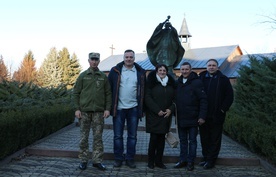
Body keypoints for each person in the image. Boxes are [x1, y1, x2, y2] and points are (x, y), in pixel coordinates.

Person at [73, 52, 112, 171]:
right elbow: (76, 93)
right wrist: (77, 109)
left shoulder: (103, 76)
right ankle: (83, 160)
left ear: (99, 61)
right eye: (92, 59)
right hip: (84, 112)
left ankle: (97, 161)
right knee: (83, 137)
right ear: (88, 61)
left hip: (98, 113)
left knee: (98, 138)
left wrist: (107, 109)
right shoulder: (83, 76)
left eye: (96, 59)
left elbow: (108, 93)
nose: (94, 61)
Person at [108, 49, 146, 168]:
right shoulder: (115, 71)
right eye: (126, 57)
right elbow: (109, 90)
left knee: (132, 136)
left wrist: (143, 109)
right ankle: (118, 158)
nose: (128, 59)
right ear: (123, 58)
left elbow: (144, 92)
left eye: (131, 57)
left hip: (134, 108)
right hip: (118, 108)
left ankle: (130, 159)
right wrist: (108, 108)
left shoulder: (140, 72)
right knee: (117, 136)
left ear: (134, 58)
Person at [198, 59, 234, 169]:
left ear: (217, 67)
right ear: (206, 66)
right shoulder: (201, 78)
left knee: (214, 139)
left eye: (214, 65)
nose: (211, 67)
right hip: (203, 115)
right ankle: (205, 157)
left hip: (216, 115)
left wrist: (222, 110)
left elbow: (229, 96)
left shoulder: (223, 79)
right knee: (204, 138)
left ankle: (211, 160)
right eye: (209, 65)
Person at [174, 62, 208, 171]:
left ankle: (190, 161)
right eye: (182, 69)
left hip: (193, 117)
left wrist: (202, 116)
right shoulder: (178, 83)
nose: (184, 71)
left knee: (192, 141)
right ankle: (182, 160)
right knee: (183, 141)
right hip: (181, 118)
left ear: (190, 69)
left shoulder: (197, 82)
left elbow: (203, 100)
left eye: (186, 69)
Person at [145, 64, 176, 169]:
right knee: (153, 139)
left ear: (166, 72)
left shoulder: (171, 84)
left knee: (162, 140)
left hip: (166, 116)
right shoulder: (152, 83)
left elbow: (175, 99)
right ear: (156, 71)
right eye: (160, 70)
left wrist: (170, 109)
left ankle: (159, 161)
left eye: (164, 70)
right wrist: (157, 110)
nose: (162, 72)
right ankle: (150, 161)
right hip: (154, 115)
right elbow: (147, 98)